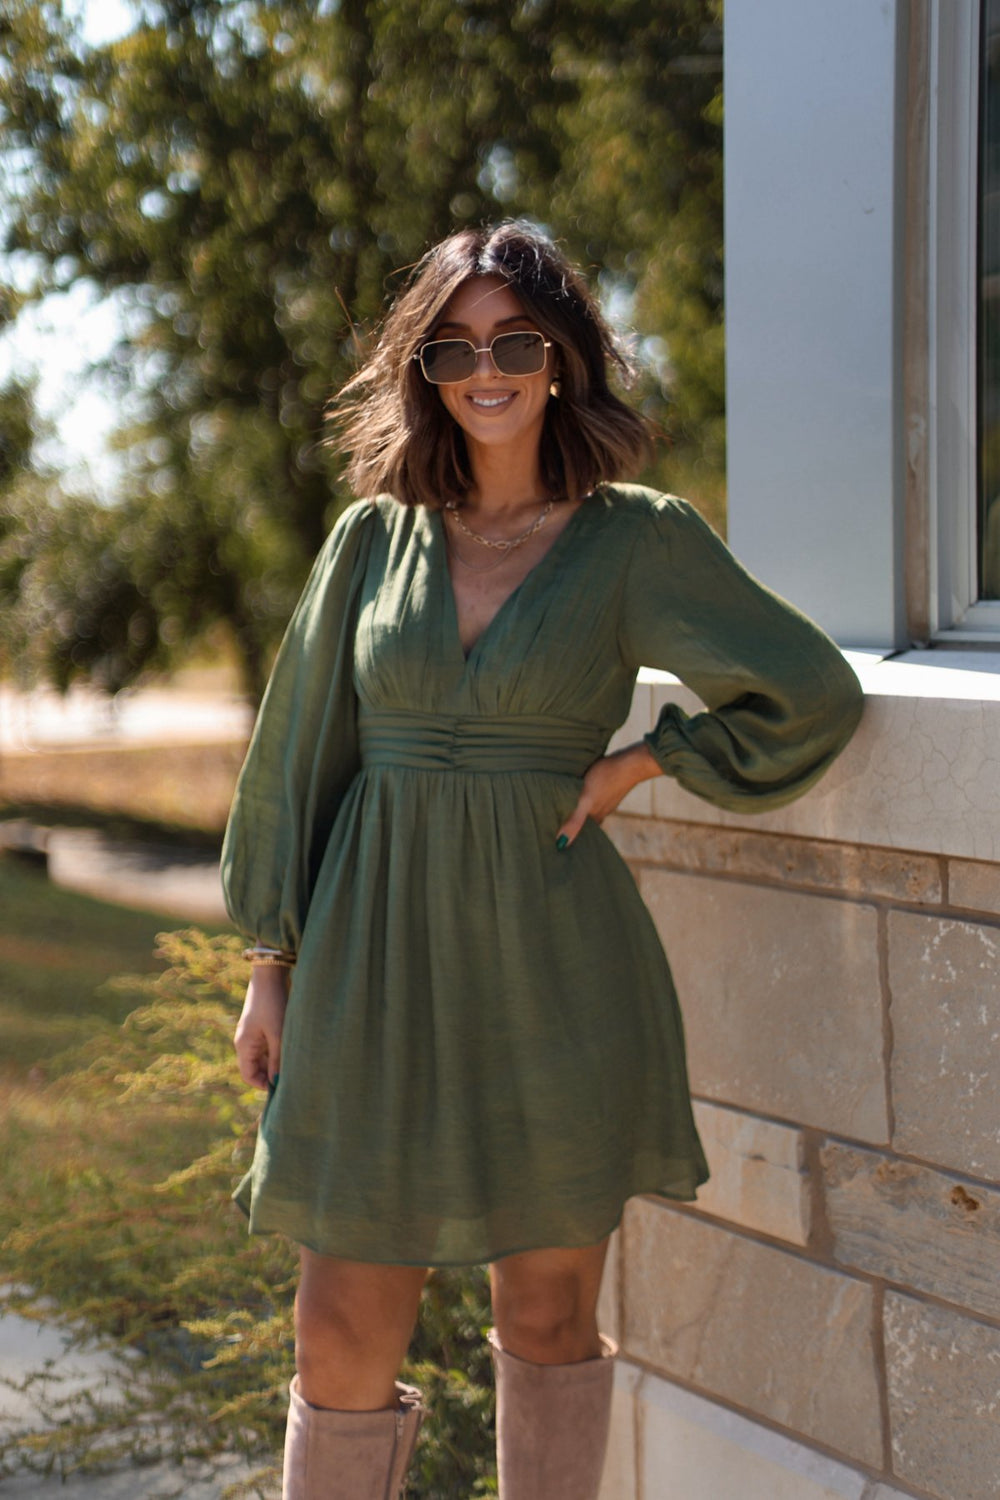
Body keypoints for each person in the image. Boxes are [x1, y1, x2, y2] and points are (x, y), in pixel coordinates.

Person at [221, 220, 864, 1500]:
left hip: (553, 962)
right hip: (371, 961)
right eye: (456, 347)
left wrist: (644, 761)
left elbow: (810, 691)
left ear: (562, 357)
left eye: (517, 339)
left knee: (549, 1324)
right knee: (342, 1326)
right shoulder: (372, 539)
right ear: (427, 370)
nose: (488, 367)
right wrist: (269, 962)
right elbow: (299, 748)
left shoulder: (635, 538)